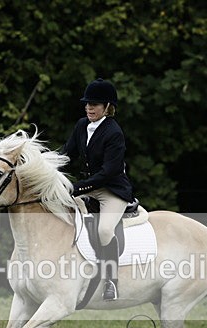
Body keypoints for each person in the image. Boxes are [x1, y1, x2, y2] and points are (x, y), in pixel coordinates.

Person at [61, 78, 134, 301]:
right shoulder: (81, 125)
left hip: (112, 190)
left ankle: (111, 281)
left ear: (107, 107)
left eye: (94, 104)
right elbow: (67, 154)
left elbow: (108, 172)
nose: (89, 108)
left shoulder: (114, 132)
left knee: (104, 230)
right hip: (88, 187)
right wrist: (43, 166)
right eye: (87, 104)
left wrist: (77, 187)